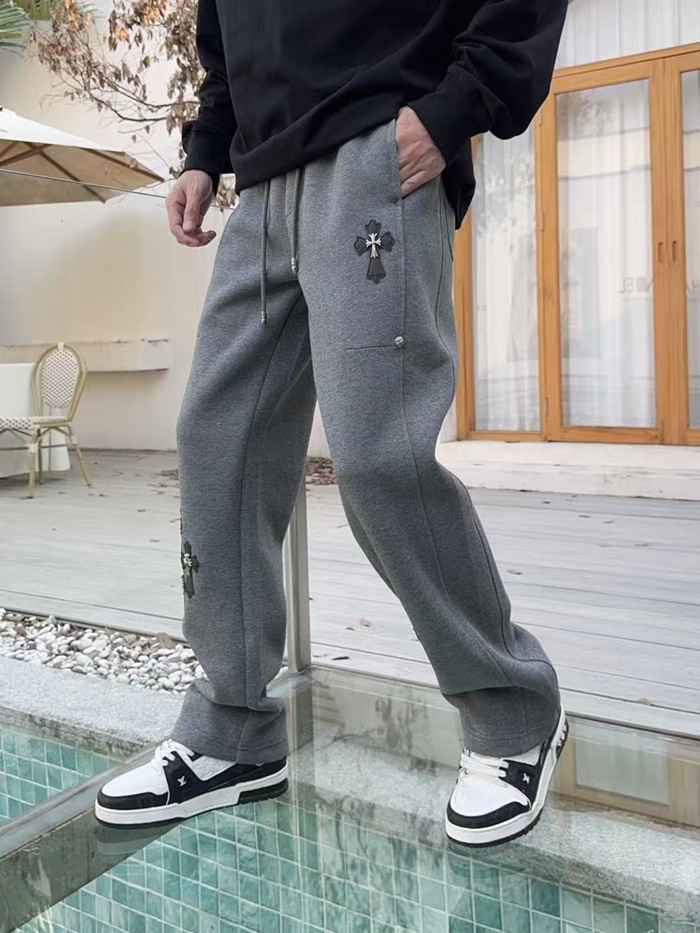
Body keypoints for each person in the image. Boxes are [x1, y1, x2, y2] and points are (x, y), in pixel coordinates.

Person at [96, 0, 569, 848]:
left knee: (379, 457)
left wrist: (454, 107)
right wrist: (207, 151)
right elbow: (224, 40)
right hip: (260, 185)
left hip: (374, 151)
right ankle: (233, 730)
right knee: (217, 442)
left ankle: (513, 710)